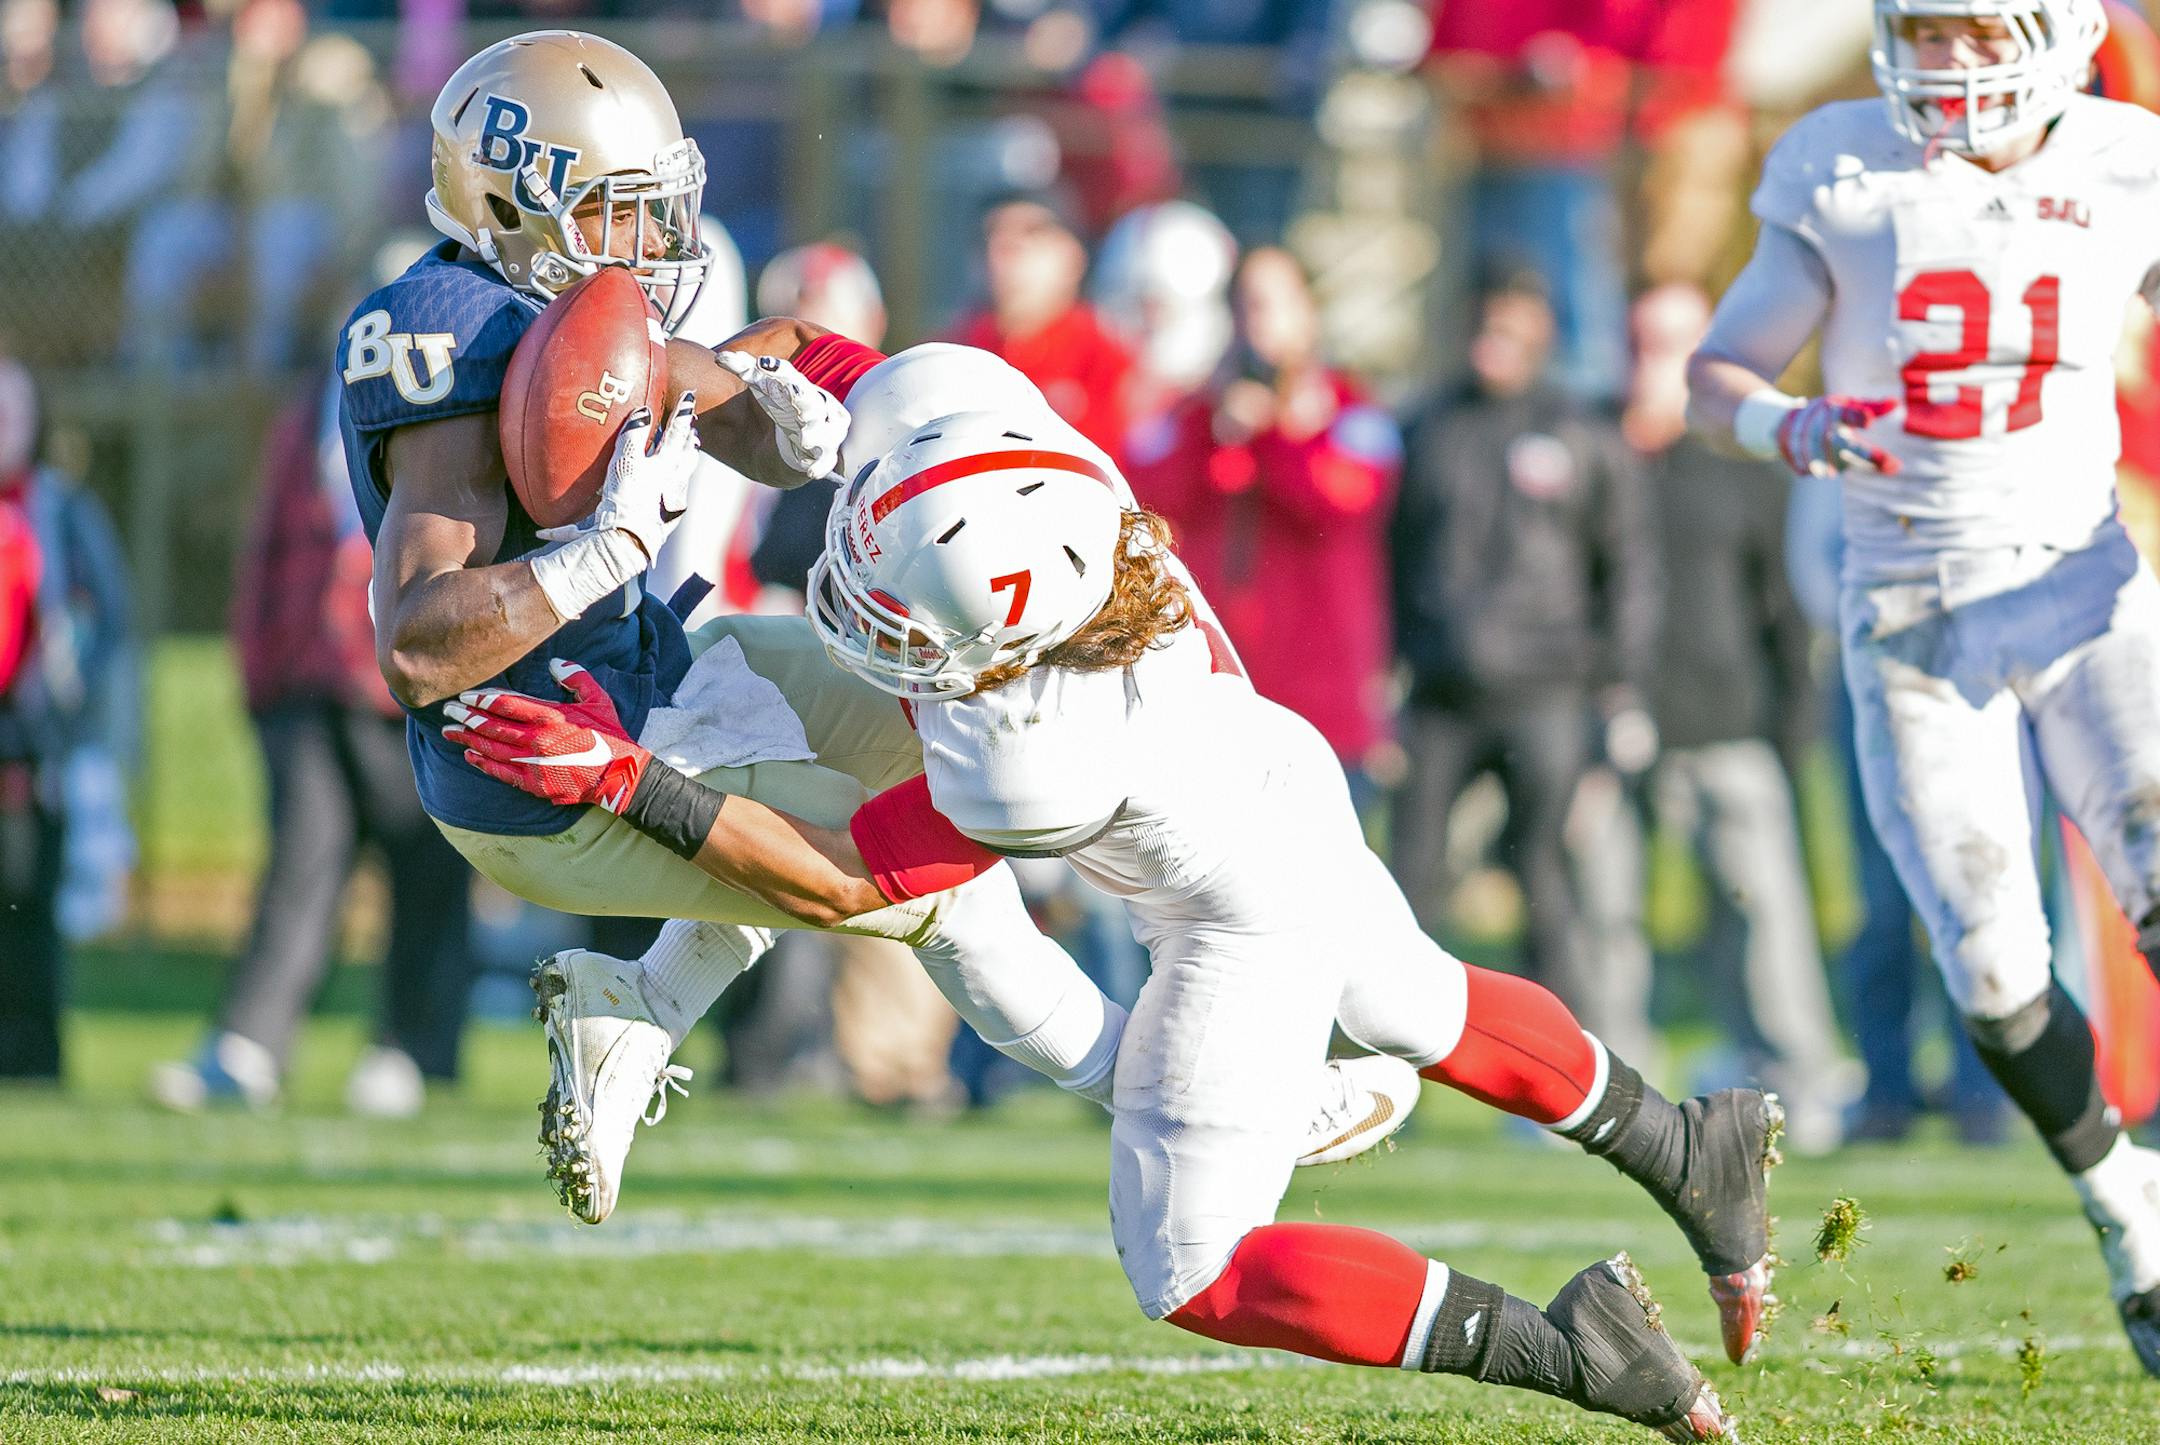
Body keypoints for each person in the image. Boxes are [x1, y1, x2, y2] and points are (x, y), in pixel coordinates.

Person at [449, 348, 1780, 1433]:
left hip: (1232, 914)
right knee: (1415, 997)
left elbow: (852, 881)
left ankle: (1570, 1350)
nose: (857, 585)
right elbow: (818, 357)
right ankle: (1683, 1148)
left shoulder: (1030, 753)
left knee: (1192, 1266)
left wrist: (635, 788)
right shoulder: (977, 439)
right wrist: (722, 376)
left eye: (901, 611)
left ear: (1002, 640)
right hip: (1268, 763)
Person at [344, 31, 1410, 1224]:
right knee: (940, 879)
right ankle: (1205, 1096)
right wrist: (603, 553)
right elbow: (416, 646)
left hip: (650, 670)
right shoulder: (447, 333)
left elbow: (712, 393)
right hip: (542, 757)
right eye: (614, 210)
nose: (650, 241)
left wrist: (790, 417)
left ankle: (637, 1009)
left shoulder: (564, 304)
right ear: (509, 203)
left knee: (959, 728)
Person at [1685, 0, 2160, 1370]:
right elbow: (1717, 374)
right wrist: (1793, 419)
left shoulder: (2127, 159)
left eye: (1973, 34)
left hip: (2081, 587)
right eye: (1924, 33)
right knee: (1996, 966)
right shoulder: (1845, 163)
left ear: (2061, 36)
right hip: (1909, 612)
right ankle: (2127, 1206)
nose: (1943, 64)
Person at [146, 371, 476, 1116]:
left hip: (414, 691)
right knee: (298, 867)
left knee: (428, 870)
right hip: (313, 682)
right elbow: (266, 547)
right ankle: (249, 1045)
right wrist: (259, 670)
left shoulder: (460, 415)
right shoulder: (305, 418)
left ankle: (415, 1049)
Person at [1390, 264, 1659, 1036]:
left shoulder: (1581, 433)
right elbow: (1390, 558)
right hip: (1440, 693)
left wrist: (1620, 687)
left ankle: (1556, 1064)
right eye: (1482, 324)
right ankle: (1387, 1057)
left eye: (1510, 326)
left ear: (1542, 333)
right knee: (1407, 883)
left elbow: (1629, 565)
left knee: (1546, 881)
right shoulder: (1426, 428)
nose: (1492, 342)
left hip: (1547, 693)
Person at [1628, 283, 1850, 1153]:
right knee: (1616, 921)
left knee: (1761, 916)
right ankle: (1621, 1092)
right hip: (1626, 727)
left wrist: (1791, 732)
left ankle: (1803, 1077)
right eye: (1646, 344)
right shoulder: (1604, 455)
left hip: (1732, 725)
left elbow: (1782, 612)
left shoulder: (1745, 472)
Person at [1128, 247, 1400, 798]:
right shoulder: (1199, 414)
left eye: (1270, 304)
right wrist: (1214, 431)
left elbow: (1344, 498)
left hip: (1320, 703)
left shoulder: (1350, 411)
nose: (1256, 323)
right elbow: (1143, 492)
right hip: (1216, 693)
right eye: (1244, 306)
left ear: (1309, 312)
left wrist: (1279, 434)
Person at [0, 354, 133, 1082]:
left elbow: (103, 610)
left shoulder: (58, 506)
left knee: (26, 900)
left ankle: (29, 1055)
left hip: (30, 741)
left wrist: (67, 669)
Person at [949, 190, 1135, 461]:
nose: (1005, 248)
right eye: (991, 235)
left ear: (1074, 255)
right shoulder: (952, 357)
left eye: (1032, 233)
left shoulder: (1111, 362)